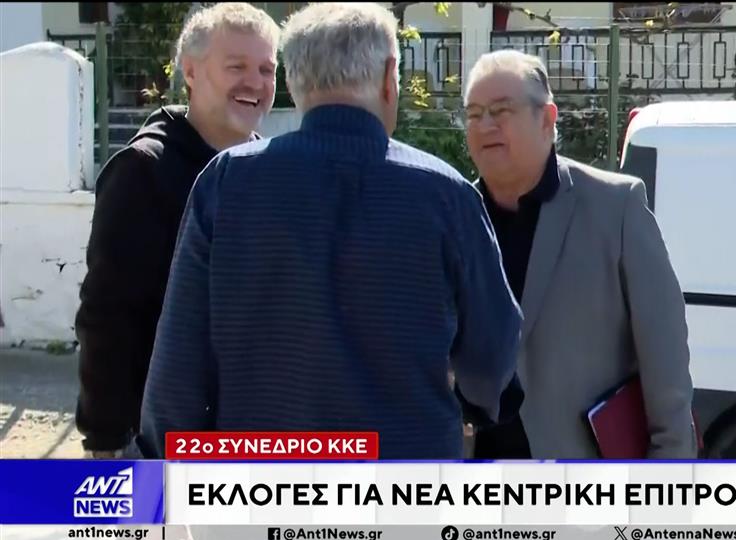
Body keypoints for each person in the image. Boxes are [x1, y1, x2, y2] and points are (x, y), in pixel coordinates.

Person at [135, 2, 521, 460]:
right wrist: (475, 405)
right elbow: (492, 359)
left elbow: (177, 367)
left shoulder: (226, 183)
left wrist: (170, 473)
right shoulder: (447, 195)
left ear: (293, 81)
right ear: (389, 77)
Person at [461, 50, 698, 459]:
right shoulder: (454, 213)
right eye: (473, 114)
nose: (485, 125)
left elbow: (666, 357)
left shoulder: (616, 207)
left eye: (500, 111)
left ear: (547, 118)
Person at [74, 2, 280, 459]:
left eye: (266, 69)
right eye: (236, 67)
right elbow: (108, 317)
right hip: (155, 443)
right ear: (190, 70)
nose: (255, 82)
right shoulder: (142, 171)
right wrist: (108, 442)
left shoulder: (267, 170)